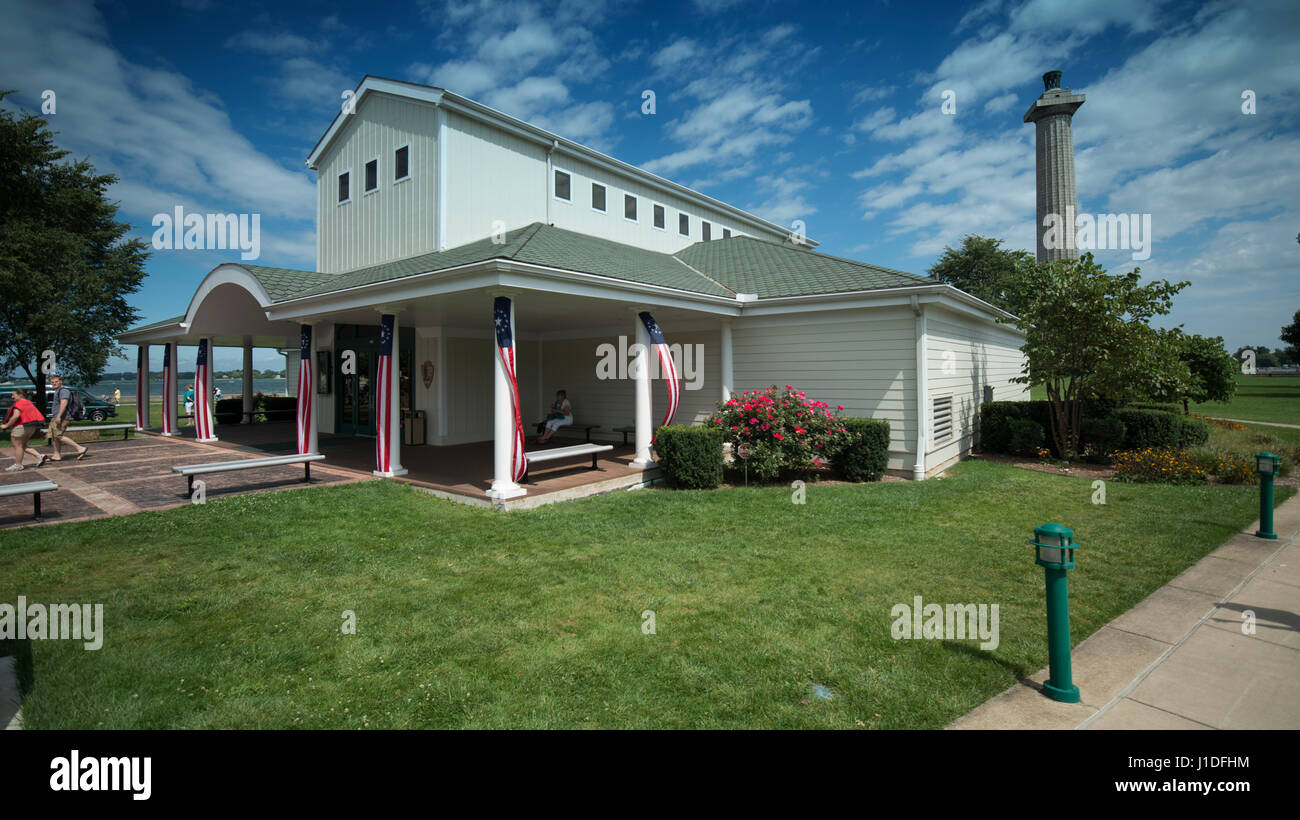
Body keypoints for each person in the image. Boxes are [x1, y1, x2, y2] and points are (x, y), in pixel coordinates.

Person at [0, 388, 48, 471]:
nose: (12, 396)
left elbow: (15, 416)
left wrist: (6, 425)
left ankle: (18, 465)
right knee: (22, 446)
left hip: (20, 427)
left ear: (20, 395)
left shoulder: (19, 404)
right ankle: (39, 456)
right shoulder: (29, 403)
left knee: (18, 447)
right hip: (31, 427)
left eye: (13, 394)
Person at [44, 374, 89, 462]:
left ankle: (80, 448)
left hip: (62, 417)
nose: (54, 383)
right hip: (56, 417)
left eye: (56, 381)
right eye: (52, 382)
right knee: (54, 437)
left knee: (58, 435)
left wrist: (59, 416)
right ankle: (56, 455)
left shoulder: (63, 391)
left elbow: (63, 404)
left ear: (61, 381)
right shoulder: (58, 391)